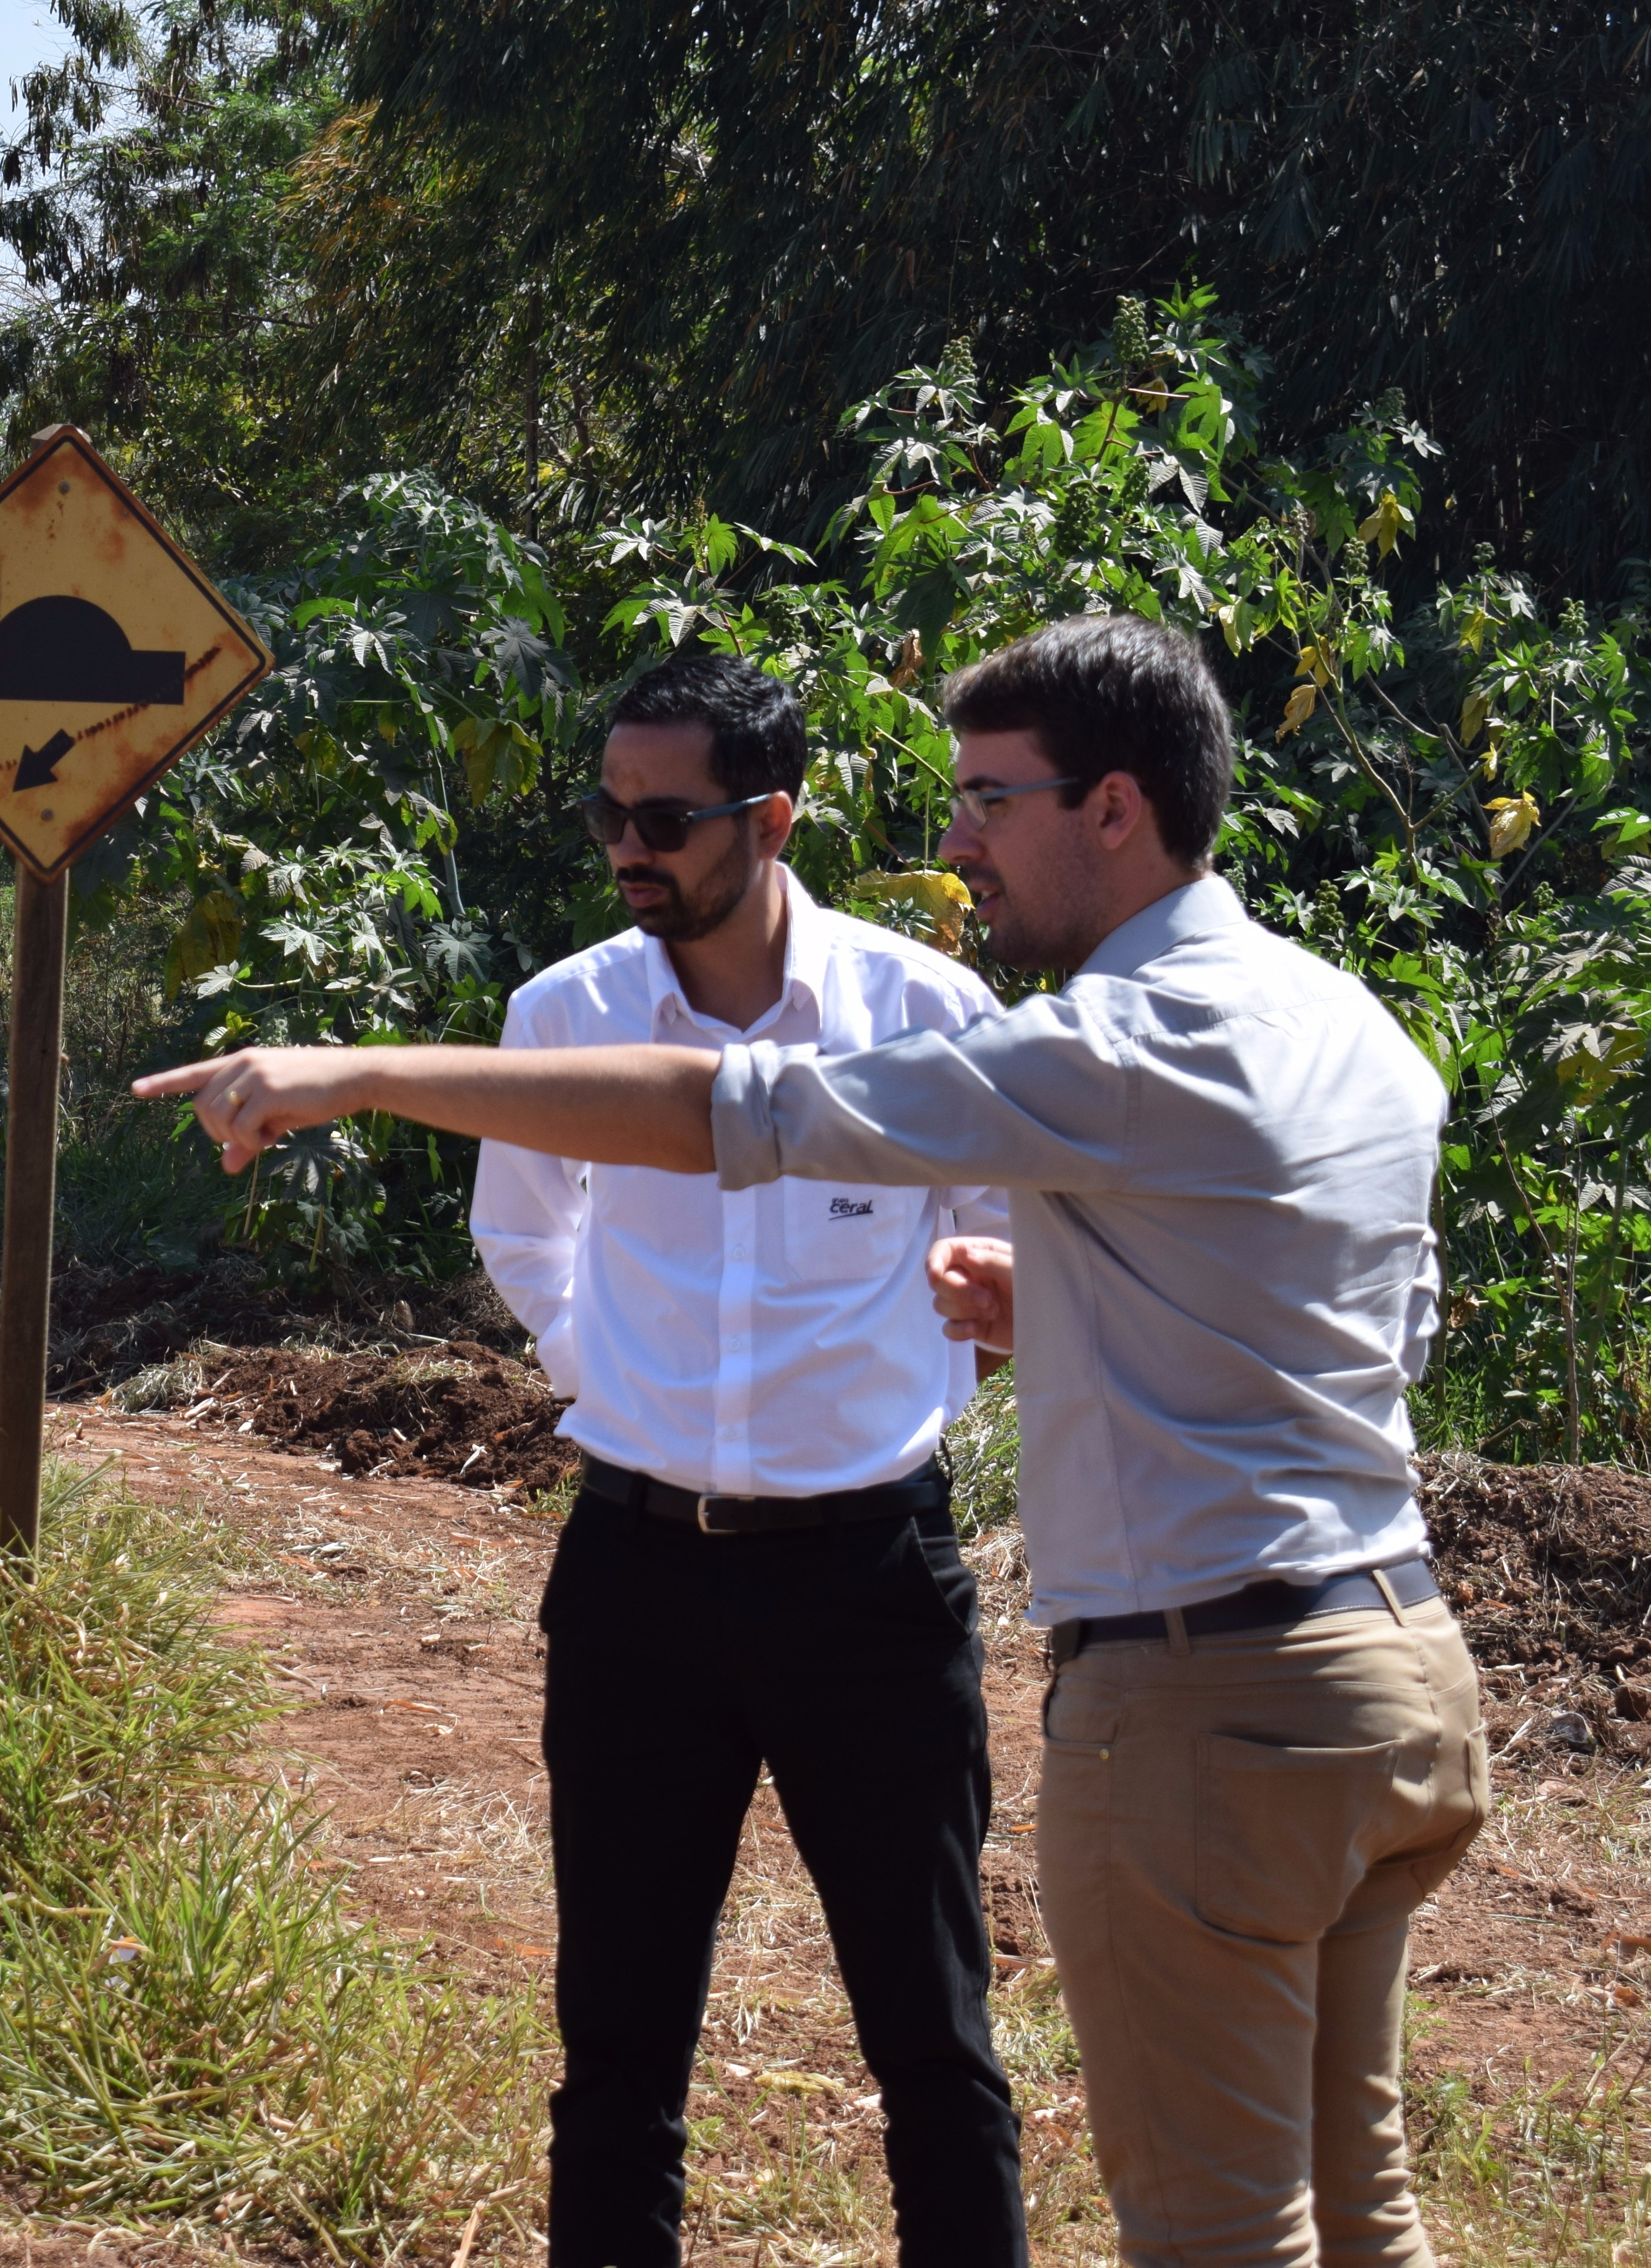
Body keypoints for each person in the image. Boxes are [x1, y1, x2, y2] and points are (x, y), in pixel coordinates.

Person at [138, 613, 1485, 2268]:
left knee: (1211, 2224)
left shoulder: (1112, 1040)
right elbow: (1371, 1330)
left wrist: (352, 1073)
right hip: (1393, 1666)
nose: (957, 842)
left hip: (1203, 1692)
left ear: (1114, 806)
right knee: (1360, 2199)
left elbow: (739, 1115)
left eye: (989, 799)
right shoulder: (1351, 1025)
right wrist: (1065, 1313)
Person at [464, 654, 1024, 2268]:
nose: (627, 848)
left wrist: (929, 1364)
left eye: (665, 819)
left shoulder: (925, 1018)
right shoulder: (565, 1017)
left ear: (771, 819)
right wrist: (611, 1377)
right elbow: (525, 1232)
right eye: (608, 815)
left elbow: (1003, 1248)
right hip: (637, 1576)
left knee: (933, 2043)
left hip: (870, 1582)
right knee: (618, 2048)